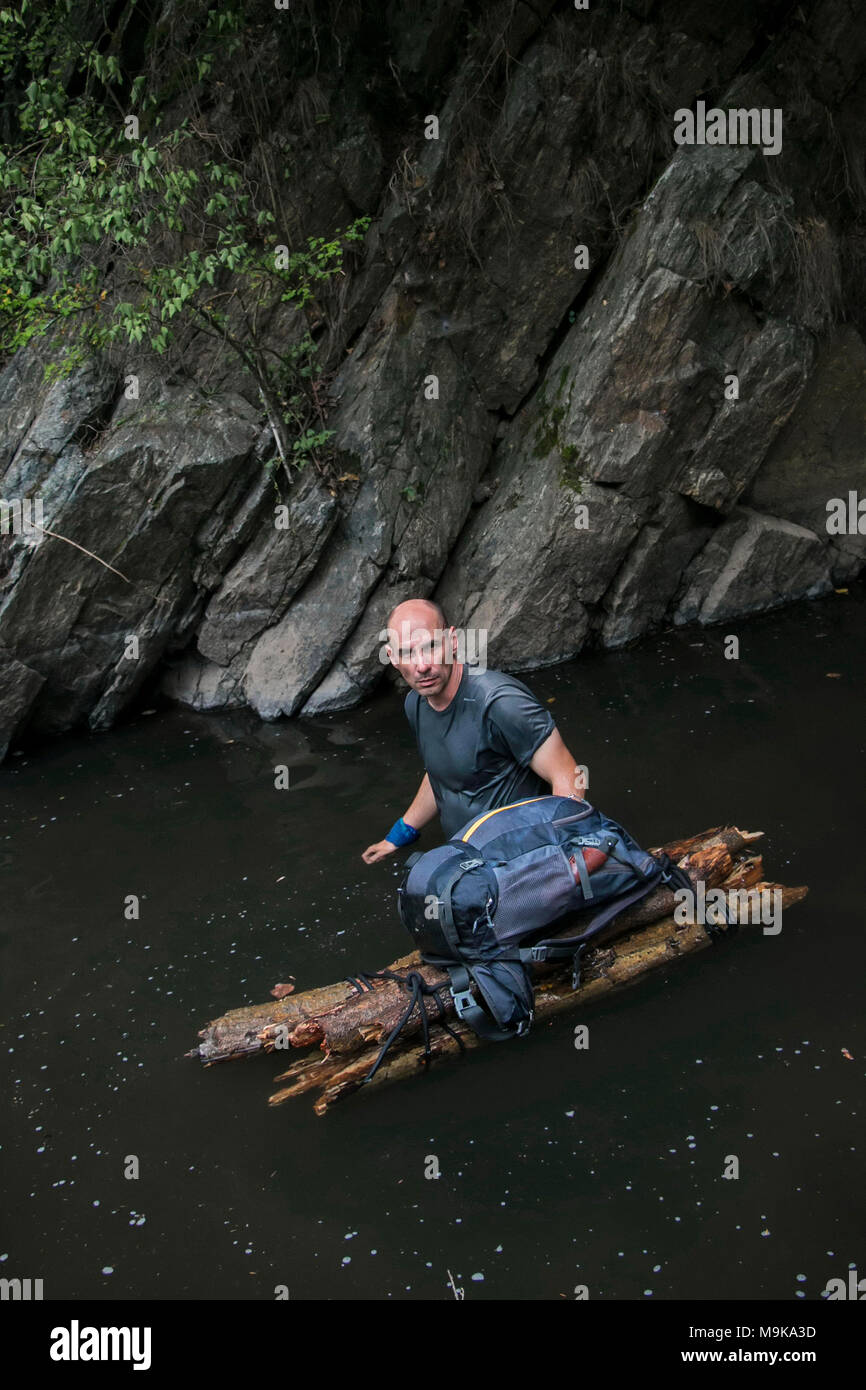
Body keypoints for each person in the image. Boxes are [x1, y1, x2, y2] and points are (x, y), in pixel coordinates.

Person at [361, 597, 586, 863]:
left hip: (522, 861)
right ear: (393, 658)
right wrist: (398, 835)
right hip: (469, 861)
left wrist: (566, 856)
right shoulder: (416, 704)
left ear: (452, 641)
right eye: (408, 653)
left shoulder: (500, 702)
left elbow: (569, 774)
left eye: (431, 646)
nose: (422, 666)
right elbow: (442, 774)